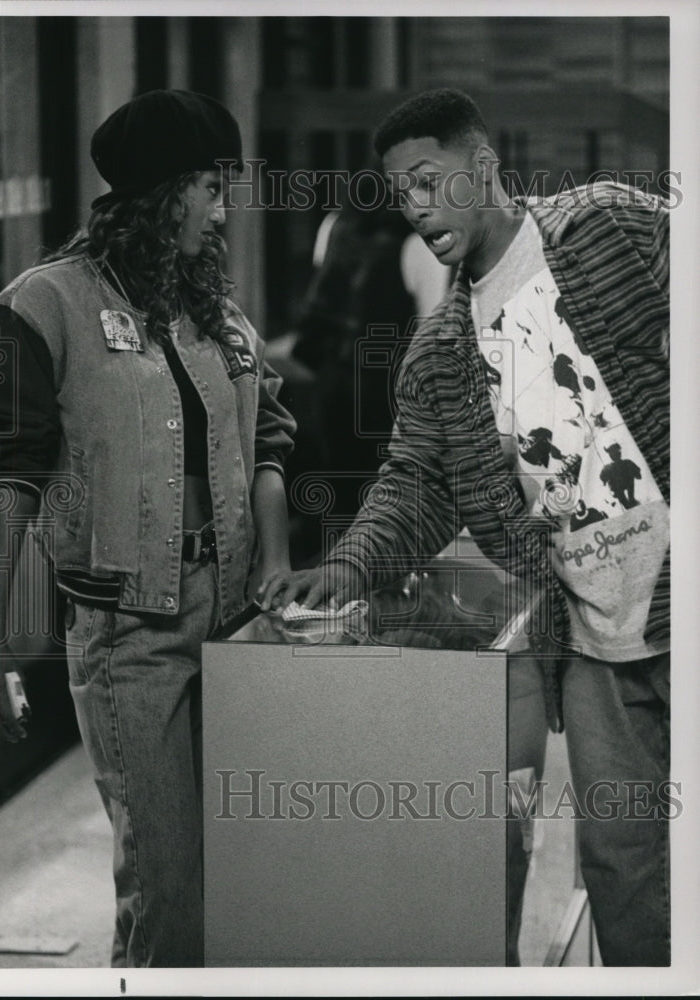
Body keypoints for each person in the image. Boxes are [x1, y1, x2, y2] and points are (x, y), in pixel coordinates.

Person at [260, 88, 670, 966]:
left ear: (481, 168)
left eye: (427, 179)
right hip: (597, 641)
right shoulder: (440, 350)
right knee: (621, 867)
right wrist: (347, 566)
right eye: (399, 191)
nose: (413, 206)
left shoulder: (603, 228)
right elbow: (413, 483)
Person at [0, 89, 296, 967]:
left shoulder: (214, 312)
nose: (223, 210)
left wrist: (279, 561)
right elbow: (7, 474)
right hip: (127, 638)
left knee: (236, 887)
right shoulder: (40, 307)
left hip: (229, 624)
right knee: (168, 893)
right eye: (211, 187)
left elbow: (268, 436)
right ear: (165, 192)